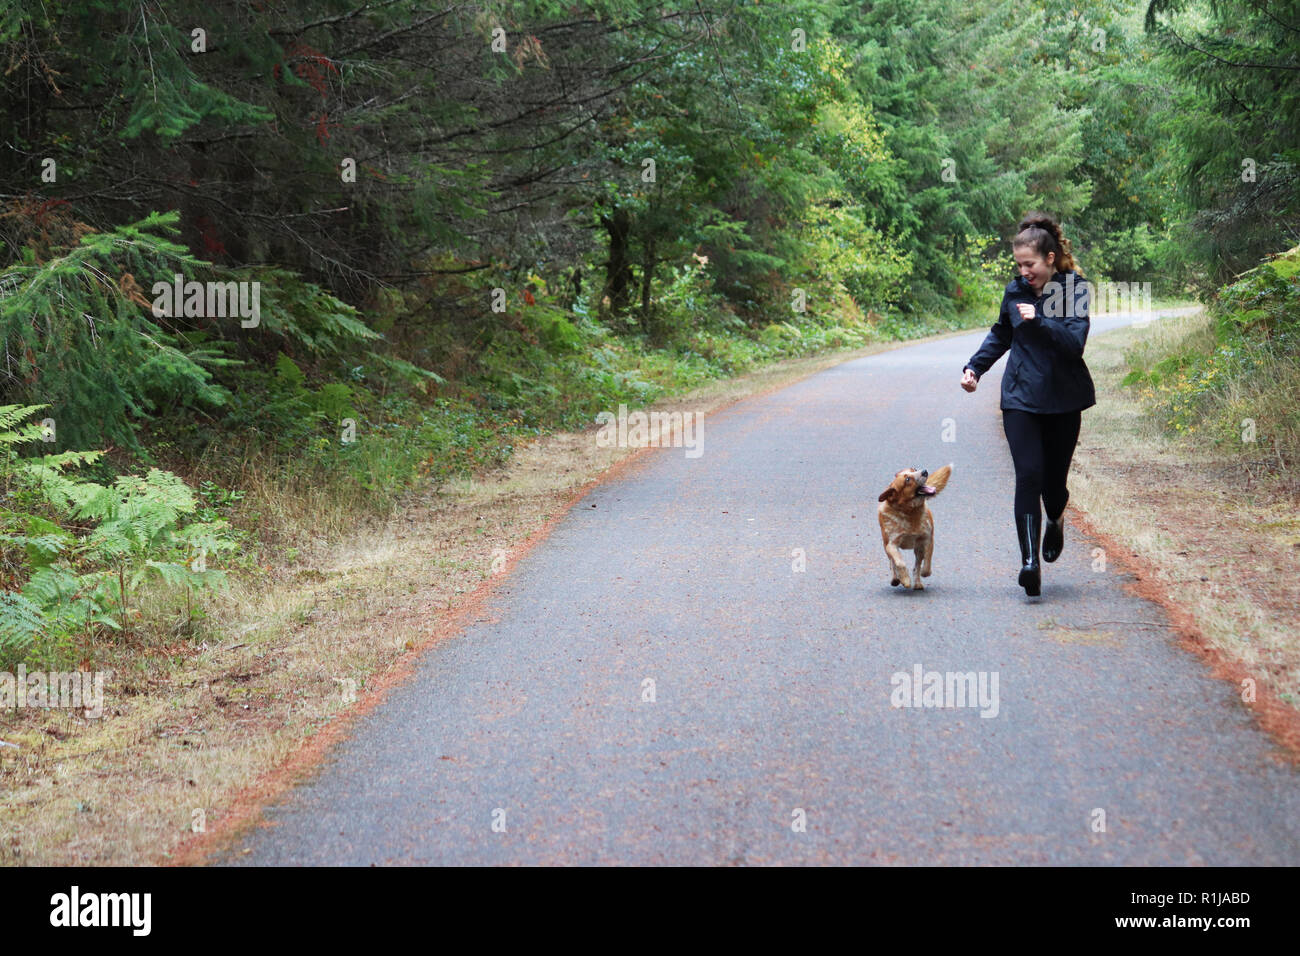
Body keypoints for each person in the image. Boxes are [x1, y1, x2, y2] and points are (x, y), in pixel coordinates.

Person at [960, 213, 1095, 597]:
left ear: (1050, 258)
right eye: (1018, 265)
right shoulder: (1015, 291)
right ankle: (1030, 563)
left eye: (1030, 264)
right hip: (1020, 398)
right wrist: (974, 368)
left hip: (1063, 399)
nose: (1024, 272)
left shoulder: (1074, 290)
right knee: (1028, 476)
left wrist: (1040, 321)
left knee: (1053, 485)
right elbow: (1001, 333)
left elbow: (1075, 345)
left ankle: (1056, 516)